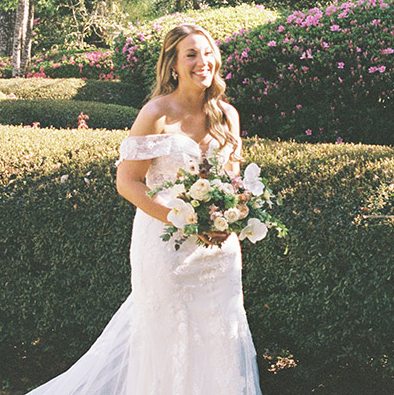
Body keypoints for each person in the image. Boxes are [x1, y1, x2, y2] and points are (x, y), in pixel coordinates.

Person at [27, 23, 262, 395]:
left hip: (218, 253)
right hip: (166, 245)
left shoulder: (227, 115)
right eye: (191, 54)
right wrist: (180, 219)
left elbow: (233, 182)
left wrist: (234, 217)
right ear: (172, 65)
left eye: (208, 52)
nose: (204, 62)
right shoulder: (156, 114)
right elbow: (127, 182)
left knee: (221, 334)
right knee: (168, 338)